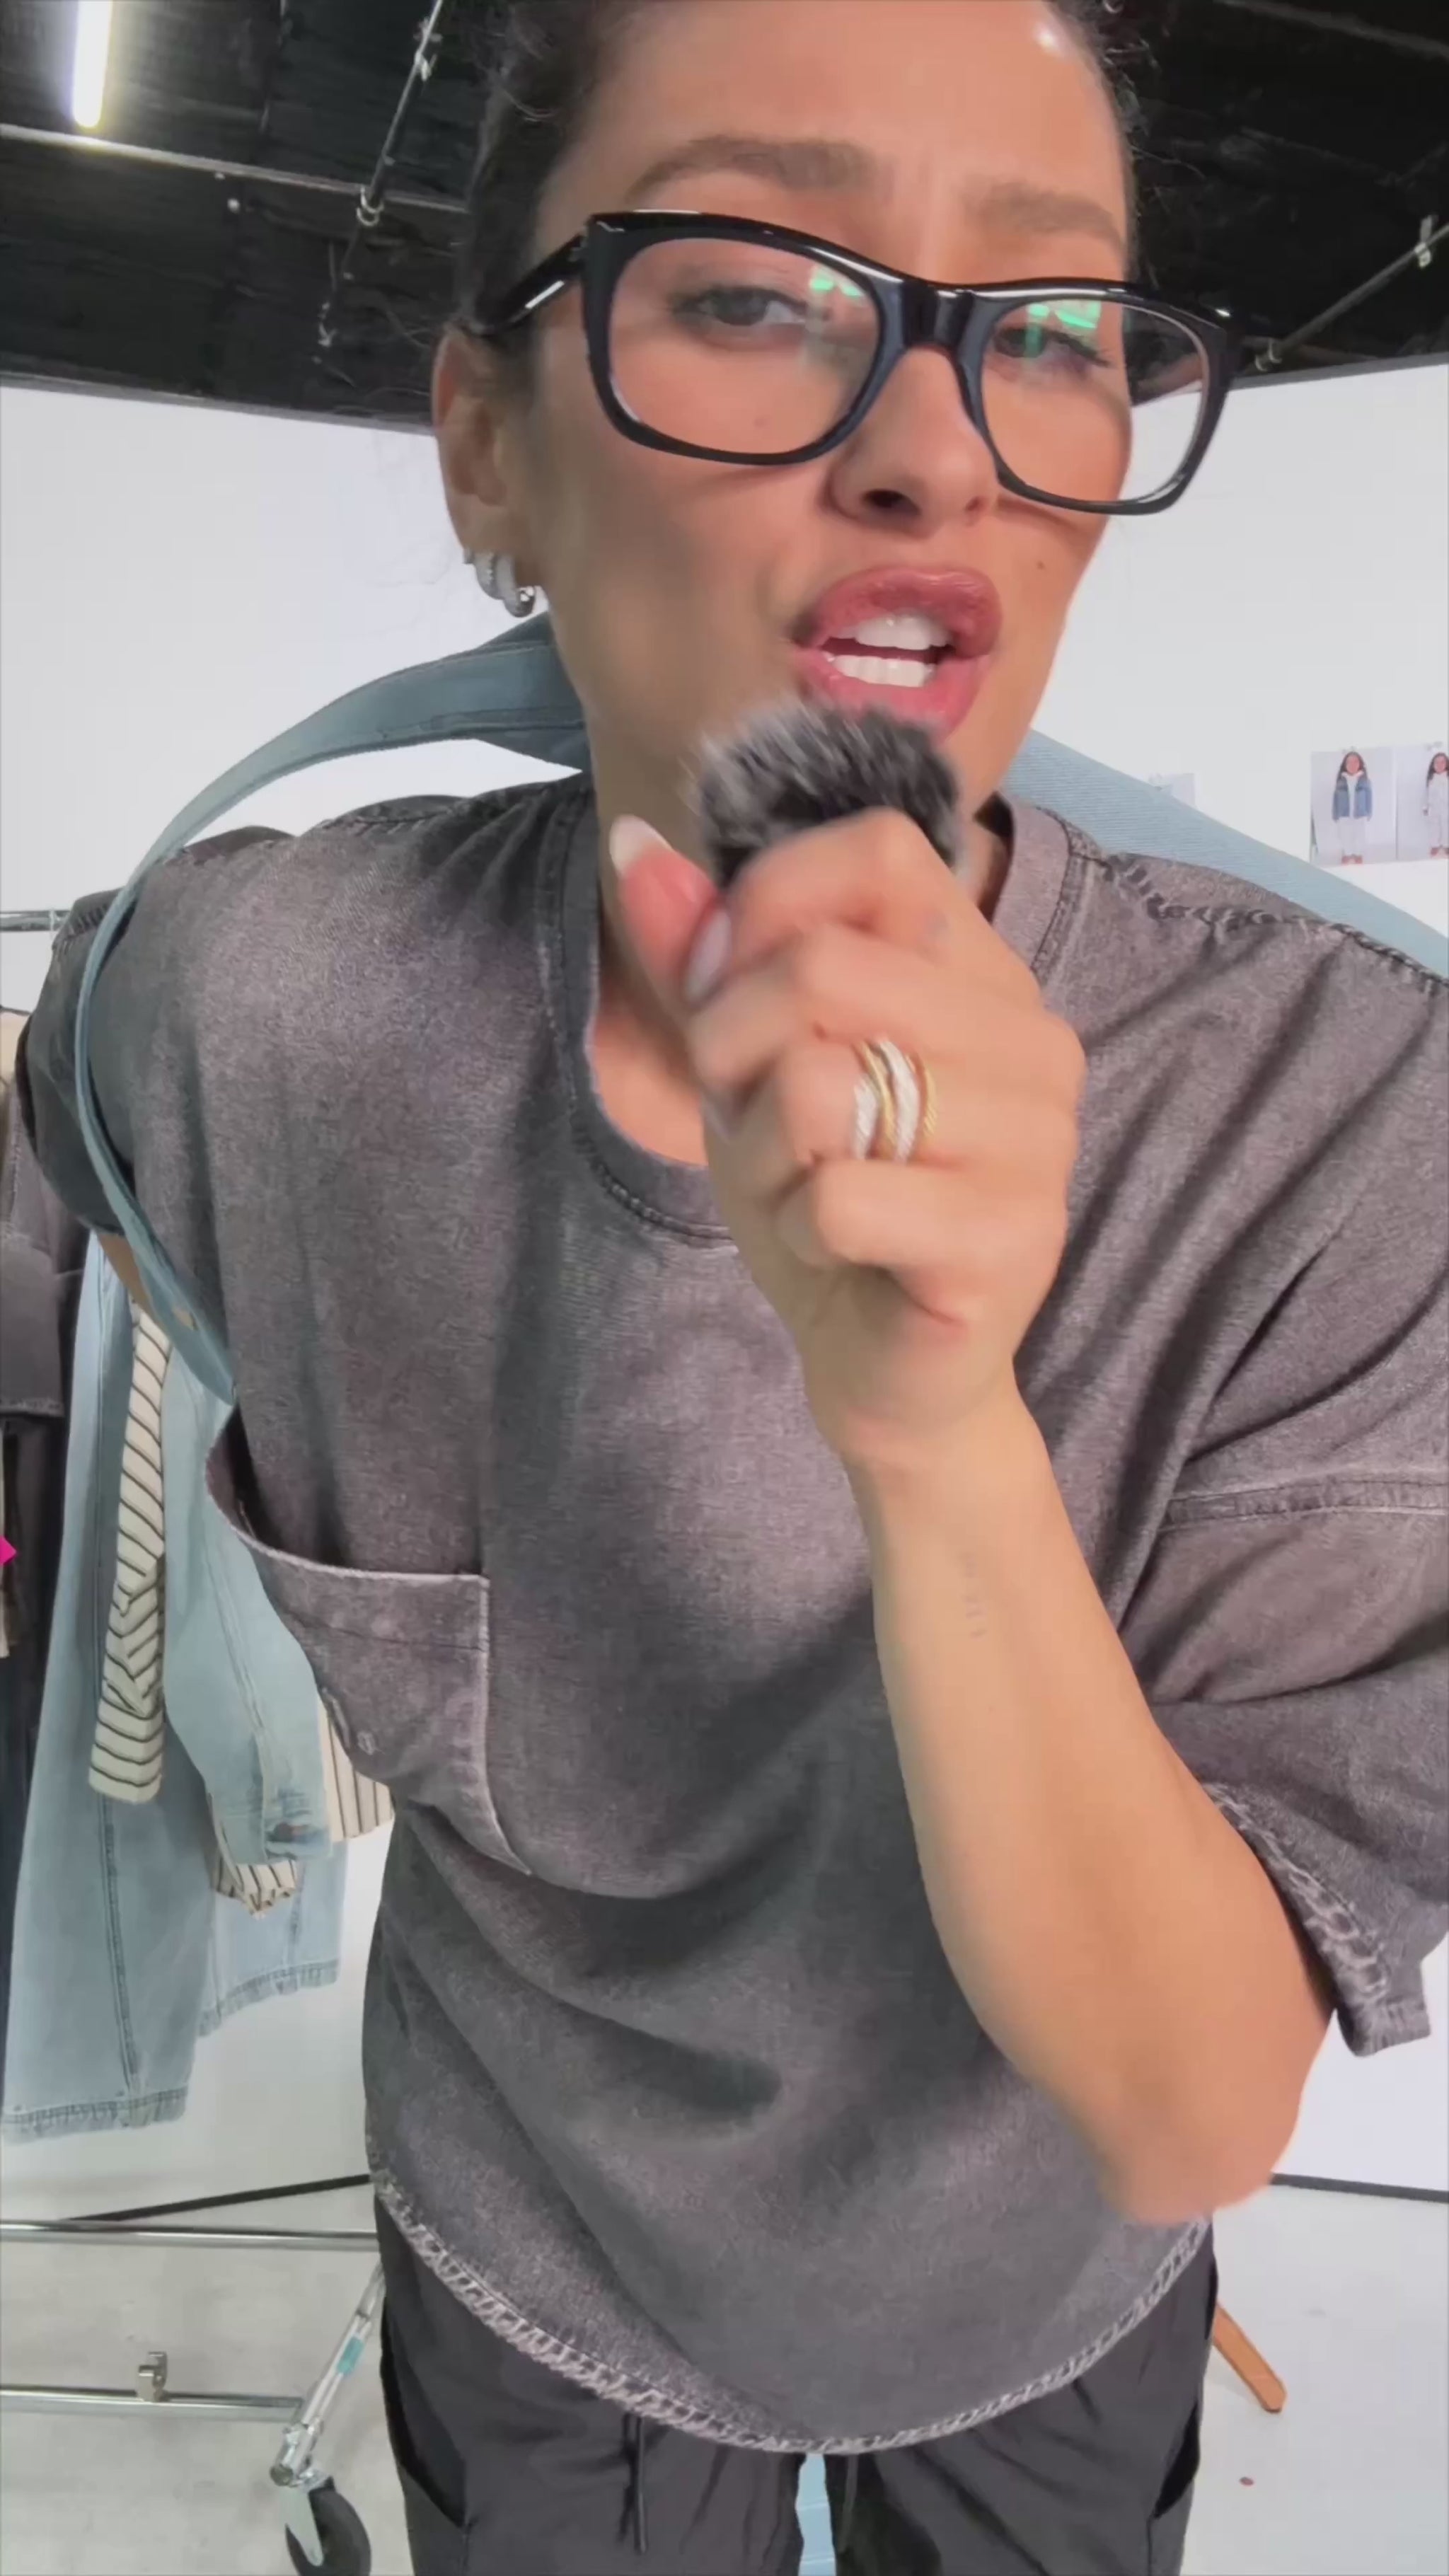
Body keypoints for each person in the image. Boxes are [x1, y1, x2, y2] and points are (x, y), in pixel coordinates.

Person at [18, 4, 1448, 2572]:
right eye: (750, 290)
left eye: (1048, 330)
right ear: (488, 446)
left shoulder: (1334, 1117)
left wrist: (935, 1428)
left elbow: (1185, 2101)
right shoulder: (251, 1011)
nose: (932, 451)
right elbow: (59, 1175)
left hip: (1035, 2292)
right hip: (529, 2262)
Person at [1332, 749, 1373, 865]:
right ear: (1345, 765)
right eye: (1349, 762)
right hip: (1344, 814)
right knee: (1345, 835)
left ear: (1360, 764)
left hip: (1360, 813)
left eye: (1355, 762)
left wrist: (1369, 812)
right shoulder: (1340, 781)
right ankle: (1348, 853)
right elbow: (1335, 798)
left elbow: (1369, 797)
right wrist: (1335, 813)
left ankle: (1358, 853)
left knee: (1360, 835)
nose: (1352, 765)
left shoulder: (1365, 780)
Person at [1424, 749, 1449, 859]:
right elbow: (1426, 794)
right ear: (1433, 765)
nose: (1440, 765)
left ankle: (1447, 846)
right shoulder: (1431, 780)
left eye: (1442, 762)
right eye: (1437, 762)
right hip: (1434, 809)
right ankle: (1435, 846)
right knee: (1435, 828)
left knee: (1446, 828)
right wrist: (1425, 807)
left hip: (1446, 809)